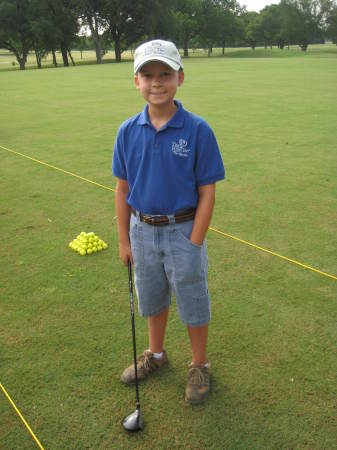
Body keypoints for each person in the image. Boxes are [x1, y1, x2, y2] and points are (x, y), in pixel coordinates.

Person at [112, 39, 225, 404]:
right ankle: (156, 354)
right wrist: (124, 240)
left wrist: (194, 241)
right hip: (141, 231)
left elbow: (207, 192)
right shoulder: (127, 131)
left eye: (165, 74)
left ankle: (199, 365)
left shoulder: (197, 130)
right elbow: (121, 188)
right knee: (152, 296)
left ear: (180, 77)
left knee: (192, 298)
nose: (156, 82)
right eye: (147, 74)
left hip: (183, 230)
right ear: (136, 81)